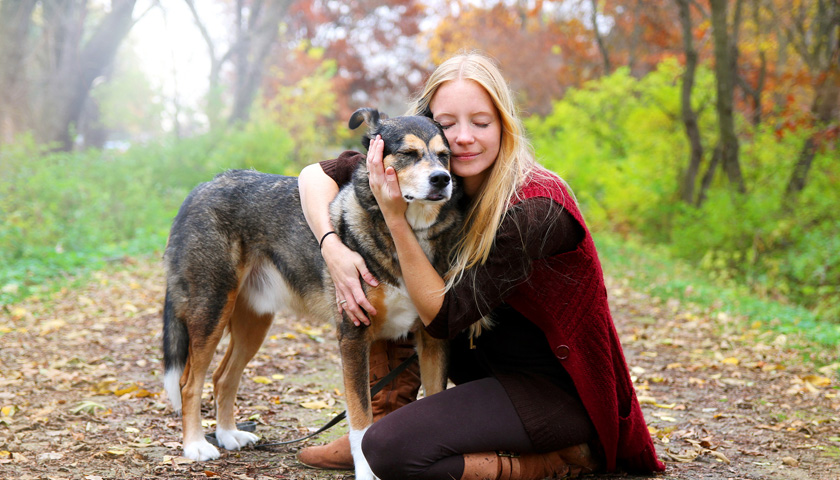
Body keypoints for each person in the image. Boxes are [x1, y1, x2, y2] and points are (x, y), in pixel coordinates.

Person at [297, 52, 665, 479]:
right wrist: (331, 246)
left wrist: (395, 218)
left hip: (557, 392)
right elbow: (315, 175)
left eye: (481, 122)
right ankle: (386, 420)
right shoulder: (433, 170)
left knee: (393, 455)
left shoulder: (535, 209)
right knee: (378, 277)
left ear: (505, 126)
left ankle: (555, 459)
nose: (462, 138)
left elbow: (442, 318)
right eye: (447, 124)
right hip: (485, 378)